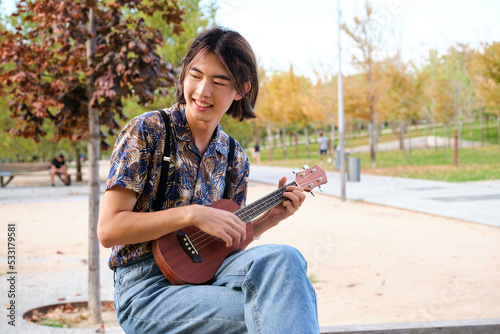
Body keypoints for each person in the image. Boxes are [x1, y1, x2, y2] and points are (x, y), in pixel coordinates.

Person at [97, 27, 319, 333]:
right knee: (277, 309)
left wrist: (268, 220)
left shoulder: (234, 157)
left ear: (241, 90)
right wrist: (191, 214)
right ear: (185, 76)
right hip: (146, 290)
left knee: (286, 258)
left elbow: (221, 247)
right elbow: (108, 231)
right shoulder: (148, 131)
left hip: (209, 275)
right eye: (196, 75)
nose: (202, 91)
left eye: (219, 81)